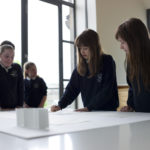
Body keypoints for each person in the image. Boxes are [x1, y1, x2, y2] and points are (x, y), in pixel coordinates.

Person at [51, 29, 119, 112]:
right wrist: (60, 105)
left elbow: (107, 90)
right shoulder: (80, 67)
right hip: (90, 112)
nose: (82, 51)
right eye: (80, 48)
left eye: (85, 48)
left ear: (94, 48)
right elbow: (71, 89)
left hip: (108, 111)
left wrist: (89, 107)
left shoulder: (107, 61)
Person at [115, 18, 150, 112]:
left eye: (123, 42)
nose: (121, 47)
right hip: (141, 116)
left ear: (134, 40)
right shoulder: (131, 60)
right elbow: (132, 87)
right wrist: (131, 105)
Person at [0, 40, 24, 110]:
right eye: (7, 56)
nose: (10, 59)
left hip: (14, 108)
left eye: (12, 57)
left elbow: (21, 88)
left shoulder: (17, 68)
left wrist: (20, 105)